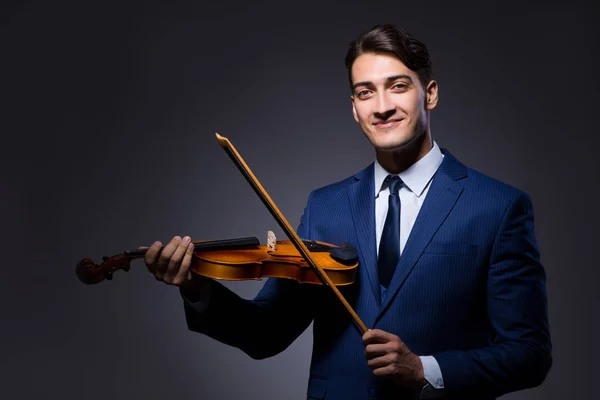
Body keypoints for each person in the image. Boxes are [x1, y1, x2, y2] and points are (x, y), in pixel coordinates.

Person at [144, 24, 552, 399]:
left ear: (430, 94)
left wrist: (425, 369)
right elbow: (265, 334)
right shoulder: (326, 206)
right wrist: (196, 287)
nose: (382, 106)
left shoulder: (498, 206)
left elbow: (529, 354)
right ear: (354, 108)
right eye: (365, 92)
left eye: (397, 87)